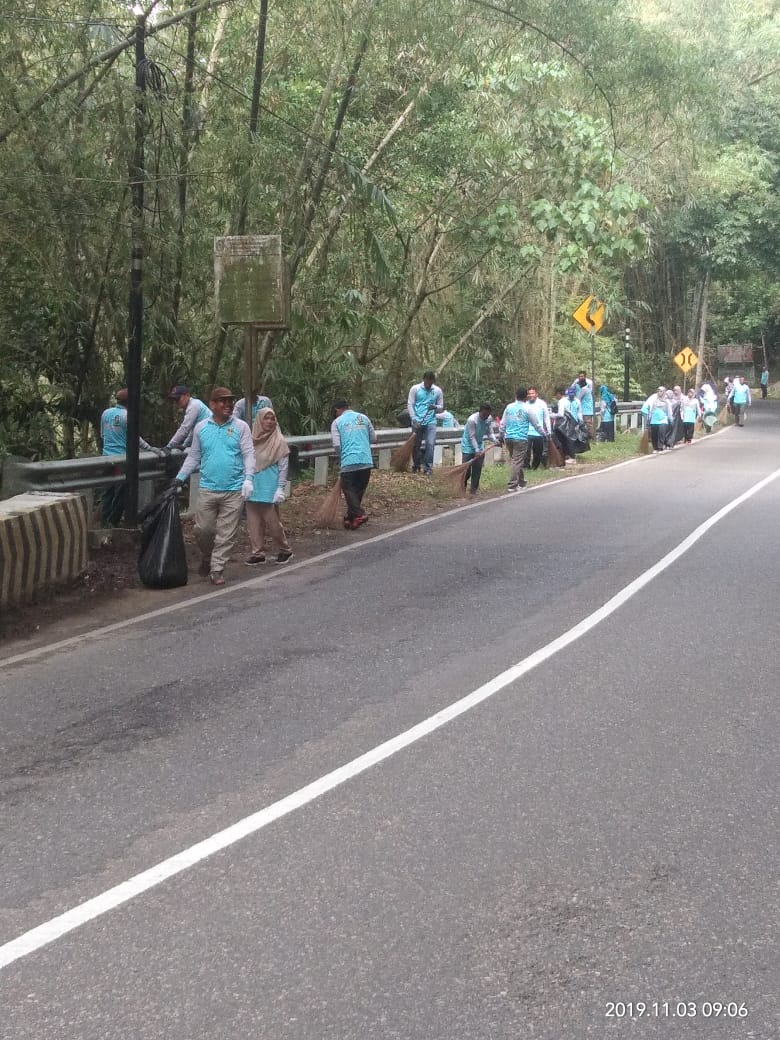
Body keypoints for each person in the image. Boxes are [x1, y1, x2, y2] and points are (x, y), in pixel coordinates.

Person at [174, 386, 255, 586]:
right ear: (212, 405)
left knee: (226, 534)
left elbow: (248, 454)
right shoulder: (201, 428)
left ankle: (217, 569)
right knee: (203, 530)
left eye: (230, 401)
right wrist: (179, 478)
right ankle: (207, 556)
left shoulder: (241, 427)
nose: (227, 405)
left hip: (234, 489)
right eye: (222, 401)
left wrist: (249, 479)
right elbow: (193, 457)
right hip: (208, 488)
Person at [99, 388, 160, 527]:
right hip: (121, 458)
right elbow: (135, 439)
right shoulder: (128, 416)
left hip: (106, 458)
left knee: (108, 491)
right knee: (122, 491)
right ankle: (113, 521)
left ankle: (104, 522)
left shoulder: (106, 413)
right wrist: (150, 448)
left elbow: (102, 435)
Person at [244, 407, 293, 566]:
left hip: (269, 488)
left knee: (273, 523)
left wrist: (280, 488)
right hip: (252, 485)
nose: (269, 422)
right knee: (253, 523)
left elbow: (283, 467)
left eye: (272, 419)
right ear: (259, 420)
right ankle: (257, 552)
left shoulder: (279, 441)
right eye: (266, 418)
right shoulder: (250, 440)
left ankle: (284, 549)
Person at [331, 399, 377, 529]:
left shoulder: (337, 422)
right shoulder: (363, 418)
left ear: (337, 410)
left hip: (349, 461)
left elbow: (336, 445)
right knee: (357, 492)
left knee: (349, 490)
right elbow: (373, 438)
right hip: (366, 461)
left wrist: (342, 456)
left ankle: (359, 514)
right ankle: (350, 519)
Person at [499, 387, 543, 491]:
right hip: (520, 438)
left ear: (516, 395)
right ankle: (512, 485)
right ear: (526, 397)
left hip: (508, 438)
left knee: (516, 461)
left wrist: (501, 435)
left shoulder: (509, 407)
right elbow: (536, 424)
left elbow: (502, 423)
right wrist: (543, 433)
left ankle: (522, 482)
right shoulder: (527, 408)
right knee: (517, 461)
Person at [407, 371, 444, 475]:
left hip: (431, 422)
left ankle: (428, 468)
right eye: (427, 381)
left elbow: (441, 407)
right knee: (416, 445)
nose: (428, 383)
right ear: (424, 379)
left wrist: (435, 407)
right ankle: (416, 465)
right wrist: (414, 419)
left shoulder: (437, 391)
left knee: (430, 444)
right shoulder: (415, 389)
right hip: (417, 421)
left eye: (431, 382)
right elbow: (410, 404)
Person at [460, 403, 495, 495]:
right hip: (468, 446)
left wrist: (495, 440)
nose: (485, 417)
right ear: (480, 412)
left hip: (479, 445)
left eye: (487, 415)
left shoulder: (488, 419)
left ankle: (473, 490)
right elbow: (472, 437)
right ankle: (462, 489)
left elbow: (489, 432)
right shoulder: (472, 420)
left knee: (477, 469)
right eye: (484, 415)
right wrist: (476, 450)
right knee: (466, 470)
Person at [164, 385, 211, 450]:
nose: (176, 402)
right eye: (175, 399)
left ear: (187, 395)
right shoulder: (193, 404)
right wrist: (185, 445)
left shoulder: (193, 405)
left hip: (211, 437)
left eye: (178, 398)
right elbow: (193, 429)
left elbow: (184, 429)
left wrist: (169, 446)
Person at [524, 386, 551, 469]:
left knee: (538, 452)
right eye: (529, 393)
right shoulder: (525, 405)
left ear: (536, 394)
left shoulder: (542, 404)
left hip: (539, 432)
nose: (531, 395)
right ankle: (527, 467)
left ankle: (534, 468)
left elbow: (546, 417)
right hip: (527, 432)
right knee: (526, 452)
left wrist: (549, 430)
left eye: (532, 393)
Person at [641, 386, 672, 453]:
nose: (659, 393)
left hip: (663, 419)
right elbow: (651, 410)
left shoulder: (667, 402)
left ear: (664, 392)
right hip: (654, 420)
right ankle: (655, 448)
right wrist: (649, 419)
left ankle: (660, 447)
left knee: (661, 433)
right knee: (654, 434)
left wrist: (670, 419)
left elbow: (669, 411)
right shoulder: (654, 400)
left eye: (661, 391)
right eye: (658, 391)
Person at [571, 370, 595, 437]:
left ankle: (591, 437)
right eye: (579, 376)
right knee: (583, 424)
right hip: (581, 407)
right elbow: (571, 389)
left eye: (582, 376)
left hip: (586, 408)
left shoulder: (586, 387)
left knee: (588, 423)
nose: (580, 378)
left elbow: (578, 397)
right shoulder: (576, 382)